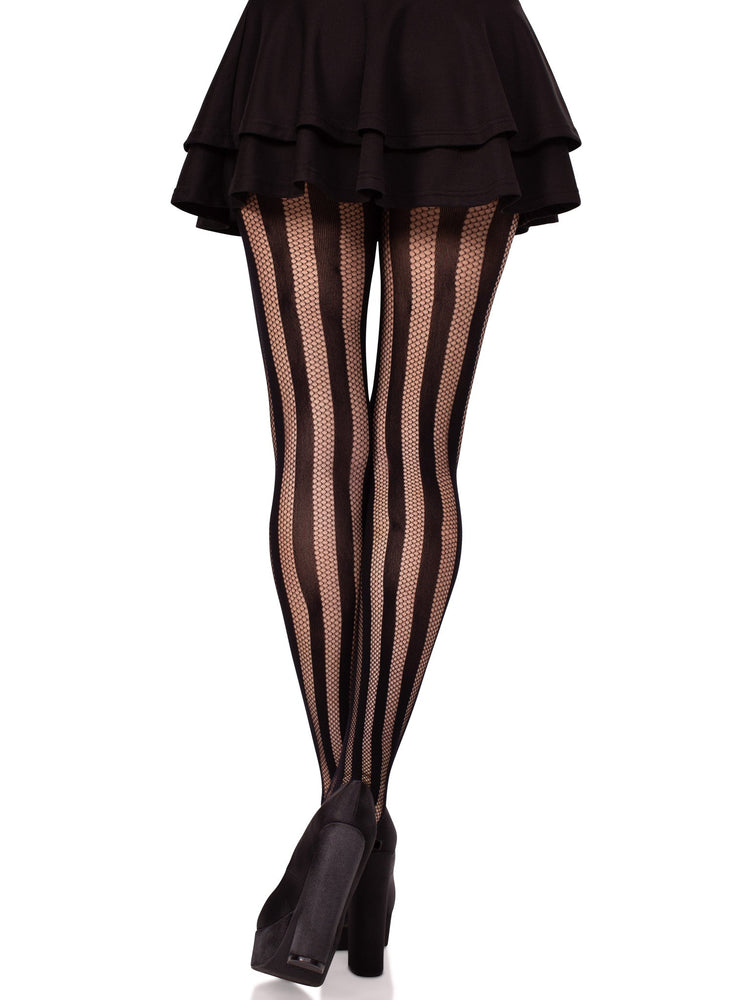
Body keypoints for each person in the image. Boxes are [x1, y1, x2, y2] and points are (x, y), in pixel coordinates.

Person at [170, 0, 582, 985]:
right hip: (459, 51)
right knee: (418, 452)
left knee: (317, 446)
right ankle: (361, 805)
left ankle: (345, 815)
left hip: (300, 47)